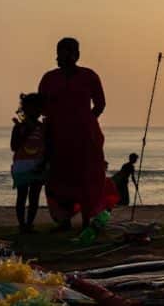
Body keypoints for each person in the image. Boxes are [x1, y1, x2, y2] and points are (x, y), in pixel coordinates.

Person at [39, 37, 114, 232]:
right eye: (60, 51)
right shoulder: (49, 78)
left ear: (77, 54)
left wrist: (86, 121)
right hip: (57, 136)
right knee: (58, 179)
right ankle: (63, 221)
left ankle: (88, 220)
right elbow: (41, 105)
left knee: (88, 178)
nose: (62, 56)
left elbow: (100, 104)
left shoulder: (89, 76)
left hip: (86, 138)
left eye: (68, 51)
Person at [11, 93, 47, 233]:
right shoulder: (19, 127)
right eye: (31, 109)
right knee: (21, 196)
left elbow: (47, 147)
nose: (34, 112)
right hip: (22, 166)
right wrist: (25, 132)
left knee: (34, 197)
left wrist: (44, 163)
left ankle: (29, 225)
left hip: (38, 165)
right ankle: (22, 225)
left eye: (37, 109)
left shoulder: (43, 127)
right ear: (24, 109)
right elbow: (14, 146)